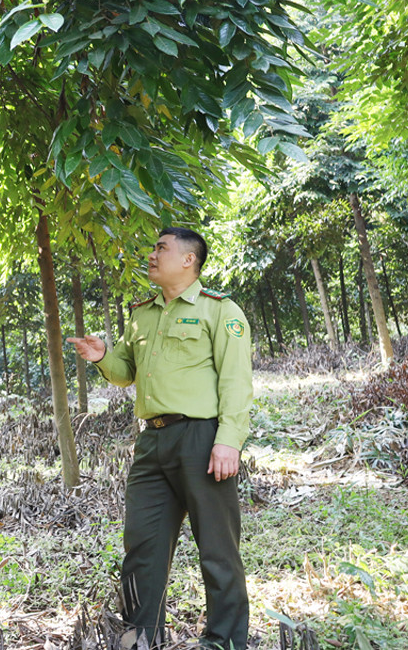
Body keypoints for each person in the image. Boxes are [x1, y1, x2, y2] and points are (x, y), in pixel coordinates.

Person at [68, 227, 253, 650]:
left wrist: (229, 441)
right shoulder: (143, 313)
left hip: (202, 439)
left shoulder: (220, 311)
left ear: (189, 259)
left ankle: (223, 641)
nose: (151, 255)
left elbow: (237, 382)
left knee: (217, 548)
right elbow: (126, 373)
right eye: (153, 247)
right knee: (142, 545)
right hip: (151, 442)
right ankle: (140, 636)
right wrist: (101, 356)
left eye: (161, 248)